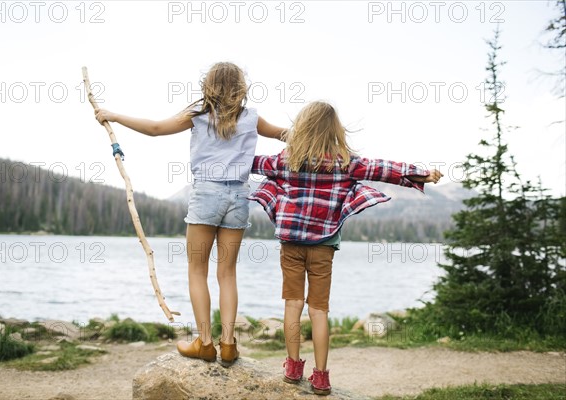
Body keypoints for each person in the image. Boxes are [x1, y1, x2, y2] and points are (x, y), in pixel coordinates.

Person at [95, 62, 286, 367]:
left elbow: (155, 129)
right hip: (239, 195)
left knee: (197, 270)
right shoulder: (251, 117)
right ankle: (228, 345)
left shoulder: (198, 115)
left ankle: (205, 344)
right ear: (240, 86)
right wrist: (318, 136)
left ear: (208, 85)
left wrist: (114, 115)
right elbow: (285, 134)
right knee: (227, 274)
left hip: (207, 194)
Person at [248, 101, 442, 395]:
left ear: (301, 127)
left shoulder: (284, 160)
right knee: (319, 310)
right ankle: (322, 377)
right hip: (323, 246)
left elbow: (250, 162)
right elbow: (384, 169)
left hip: (291, 243)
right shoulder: (346, 162)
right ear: (335, 130)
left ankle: (292, 366)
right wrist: (421, 173)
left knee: (292, 305)